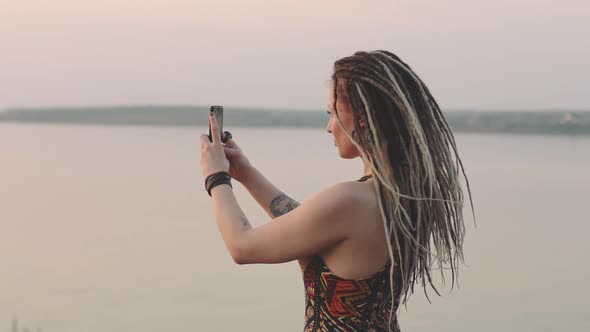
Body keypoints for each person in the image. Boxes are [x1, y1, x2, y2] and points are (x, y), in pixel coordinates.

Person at [199, 50, 473, 332]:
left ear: (362, 117)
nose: (328, 127)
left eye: (332, 112)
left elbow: (242, 246)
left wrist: (216, 177)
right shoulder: (405, 198)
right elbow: (310, 224)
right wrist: (246, 174)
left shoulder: (351, 201)